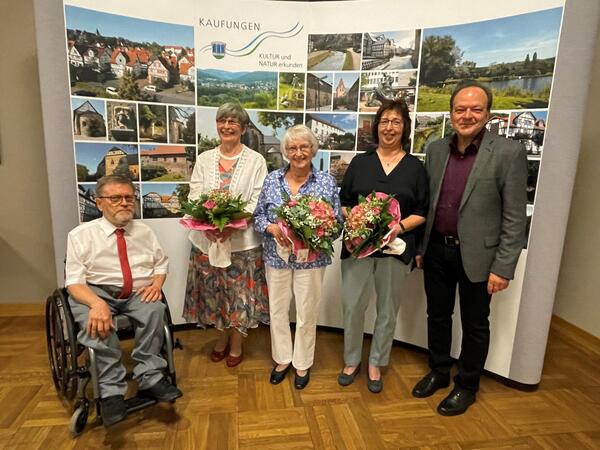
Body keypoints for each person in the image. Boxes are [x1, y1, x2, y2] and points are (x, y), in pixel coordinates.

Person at [411, 80, 527, 415]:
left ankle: (467, 385)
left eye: (476, 109)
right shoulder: (436, 150)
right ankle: (439, 371)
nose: (467, 115)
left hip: (480, 256)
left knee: (475, 324)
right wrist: (421, 247)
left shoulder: (508, 153)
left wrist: (503, 267)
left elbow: (514, 217)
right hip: (437, 250)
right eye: (460, 109)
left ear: (487, 113)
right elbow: (428, 204)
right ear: (451, 113)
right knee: (437, 315)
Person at [65, 174, 182, 427]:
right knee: (98, 323)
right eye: (115, 198)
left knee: (155, 310)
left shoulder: (144, 232)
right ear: (99, 203)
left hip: (136, 292)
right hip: (95, 292)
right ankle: (110, 391)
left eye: (129, 197)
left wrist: (157, 284)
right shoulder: (80, 235)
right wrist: (96, 304)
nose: (124, 203)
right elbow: (73, 281)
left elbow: (161, 263)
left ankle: (150, 375)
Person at [338, 98, 428, 393]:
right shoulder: (360, 163)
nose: (389, 127)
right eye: (385, 121)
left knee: (387, 310)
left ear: (405, 128)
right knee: (353, 306)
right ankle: (352, 360)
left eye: (396, 122)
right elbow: (344, 201)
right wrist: (358, 220)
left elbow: (422, 211)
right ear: (376, 126)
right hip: (357, 248)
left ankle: (376, 361)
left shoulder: (415, 167)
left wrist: (396, 227)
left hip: (395, 250)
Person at [254, 125, 342, 390]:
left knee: (306, 311)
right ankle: (282, 359)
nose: (298, 153)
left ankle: (302, 362)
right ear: (285, 152)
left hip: (310, 260)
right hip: (276, 257)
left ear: (313, 150)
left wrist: (317, 232)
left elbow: (337, 223)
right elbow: (258, 216)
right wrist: (271, 228)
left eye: (304, 147)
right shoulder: (272, 180)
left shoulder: (326, 181)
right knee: (278, 310)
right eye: (292, 148)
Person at [183, 102, 269, 367]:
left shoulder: (256, 160)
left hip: (242, 243)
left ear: (243, 128)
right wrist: (206, 225)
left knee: (239, 296)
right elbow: (195, 194)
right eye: (222, 121)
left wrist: (233, 225)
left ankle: (236, 344)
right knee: (216, 294)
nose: (227, 126)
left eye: (233, 122)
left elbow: (257, 198)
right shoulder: (204, 158)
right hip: (206, 241)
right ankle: (220, 339)